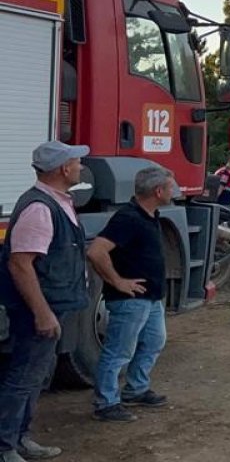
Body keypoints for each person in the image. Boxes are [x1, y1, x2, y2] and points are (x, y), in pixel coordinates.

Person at [0, 141, 92, 461]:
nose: (81, 166)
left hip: (50, 304)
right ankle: (6, 446)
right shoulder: (40, 207)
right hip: (37, 308)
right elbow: (20, 263)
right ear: (64, 168)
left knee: (34, 376)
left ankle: (20, 438)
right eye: (76, 161)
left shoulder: (55, 201)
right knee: (23, 376)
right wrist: (42, 312)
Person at [86, 166, 175, 423]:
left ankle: (136, 389)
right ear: (158, 191)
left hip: (150, 297)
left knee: (154, 341)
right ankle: (106, 403)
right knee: (118, 351)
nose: (174, 191)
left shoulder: (148, 215)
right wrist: (118, 282)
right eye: (171, 187)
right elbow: (96, 252)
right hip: (130, 300)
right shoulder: (128, 218)